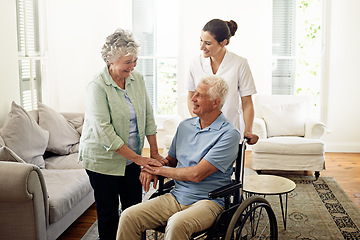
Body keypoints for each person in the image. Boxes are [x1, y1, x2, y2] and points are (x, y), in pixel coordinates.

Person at [117, 75, 251, 240]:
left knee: (177, 223)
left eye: (200, 95)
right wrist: (151, 168)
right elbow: (170, 162)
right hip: (176, 195)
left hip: (209, 201)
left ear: (216, 102)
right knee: (129, 216)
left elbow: (196, 174)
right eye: (194, 93)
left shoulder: (229, 134)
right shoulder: (185, 126)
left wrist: (161, 170)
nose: (193, 98)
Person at [79, 28, 165, 240]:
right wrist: (139, 159)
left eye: (135, 60)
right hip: (102, 161)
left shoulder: (137, 79)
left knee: (134, 211)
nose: (133, 66)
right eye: (128, 62)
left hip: (131, 160)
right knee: (108, 214)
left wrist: (154, 152)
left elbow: (147, 115)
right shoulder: (97, 86)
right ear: (110, 59)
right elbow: (105, 133)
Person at [186, 18, 258, 144]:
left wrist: (248, 130)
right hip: (202, 132)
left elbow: (247, 102)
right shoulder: (195, 63)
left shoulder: (239, 63)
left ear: (223, 42)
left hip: (229, 131)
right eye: (201, 41)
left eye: (208, 43)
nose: (202, 47)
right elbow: (191, 96)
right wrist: (198, 122)